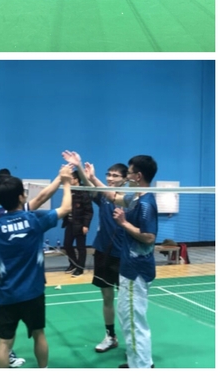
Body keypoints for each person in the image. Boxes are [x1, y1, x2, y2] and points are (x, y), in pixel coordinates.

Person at [0, 167, 73, 368]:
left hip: (7, 294)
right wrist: (67, 182)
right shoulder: (34, 219)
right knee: (39, 334)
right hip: (33, 292)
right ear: (21, 197)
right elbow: (65, 208)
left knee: (4, 343)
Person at [112, 156, 158, 369]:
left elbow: (149, 237)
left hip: (136, 271)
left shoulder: (146, 204)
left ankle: (142, 367)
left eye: (129, 173)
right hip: (129, 267)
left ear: (138, 176)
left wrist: (123, 223)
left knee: (134, 320)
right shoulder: (136, 197)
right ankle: (137, 362)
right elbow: (113, 196)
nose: (127, 176)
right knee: (127, 317)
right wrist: (89, 177)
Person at [79, 156, 128, 353]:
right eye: (108, 174)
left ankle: (132, 341)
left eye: (115, 176)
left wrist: (92, 177)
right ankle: (110, 336)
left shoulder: (129, 199)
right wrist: (80, 168)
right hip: (102, 252)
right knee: (107, 297)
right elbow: (88, 186)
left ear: (125, 179)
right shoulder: (103, 198)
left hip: (123, 255)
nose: (110, 178)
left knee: (125, 303)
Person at [60, 170, 93, 277]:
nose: (69, 180)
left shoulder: (84, 192)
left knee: (81, 248)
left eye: (71, 178)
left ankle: (80, 268)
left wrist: (86, 225)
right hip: (70, 223)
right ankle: (73, 264)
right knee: (67, 245)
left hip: (80, 225)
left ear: (76, 179)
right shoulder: (69, 191)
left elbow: (89, 211)